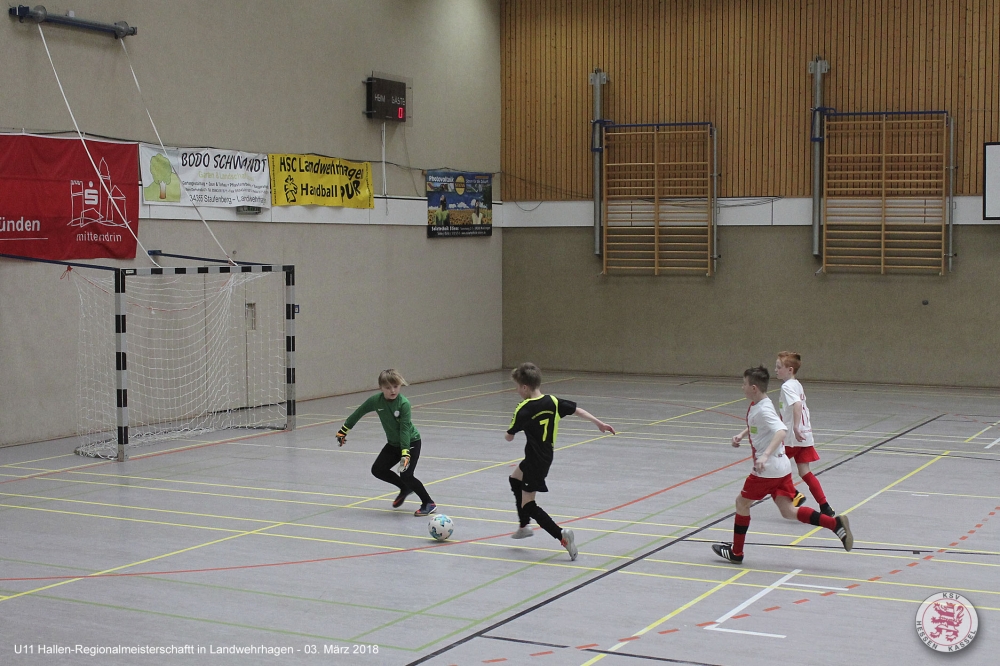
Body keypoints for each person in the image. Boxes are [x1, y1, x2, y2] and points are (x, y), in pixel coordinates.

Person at [712, 366, 853, 564]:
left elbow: (780, 431)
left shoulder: (764, 409)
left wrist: (764, 456)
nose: (742, 387)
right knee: (788, 511)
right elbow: (761, 425)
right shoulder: (761, 404)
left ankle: (737, 552)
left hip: (767, 470)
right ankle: (834, 524)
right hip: (782, 468)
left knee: (741, 503)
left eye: (744, 384)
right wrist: (742, 435)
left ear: (753, 388)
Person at [505, 362, 616, 561]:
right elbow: (578, 410)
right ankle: (524, 526)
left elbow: (509, 436)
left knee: (528, 504)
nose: (517, 391)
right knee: (515, 479)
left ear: (525, 387)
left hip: (535, 460)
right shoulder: (553, 402)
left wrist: (513, 431)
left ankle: (561, 535)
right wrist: (599, 424)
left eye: (517, 387)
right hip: (545, 455)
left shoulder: (523, 409)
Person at [336, 369, 437, 516]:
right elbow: (358, 413)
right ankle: (405, 488)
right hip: (393, 444)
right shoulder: (376, 401)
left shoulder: (404, 404)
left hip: (410, 442)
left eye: (396, 386)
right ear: (381, 388)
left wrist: (405, 453)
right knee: (378, 469)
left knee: (406, 475)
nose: (393, 390)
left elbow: (404, 429)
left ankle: (428, 503)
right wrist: (344, 430)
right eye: (388, 387)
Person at [775, 351, 836, 516]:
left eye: (779, 367)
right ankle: (825, 506)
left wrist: (795, 427)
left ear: (790, 370)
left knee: (772, 465)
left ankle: (794, 494)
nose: (776, 370)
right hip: (805, 436)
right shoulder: (797, 384)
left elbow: (797, 404)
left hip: (792, 438)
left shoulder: (787, 387)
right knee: (805, 472)